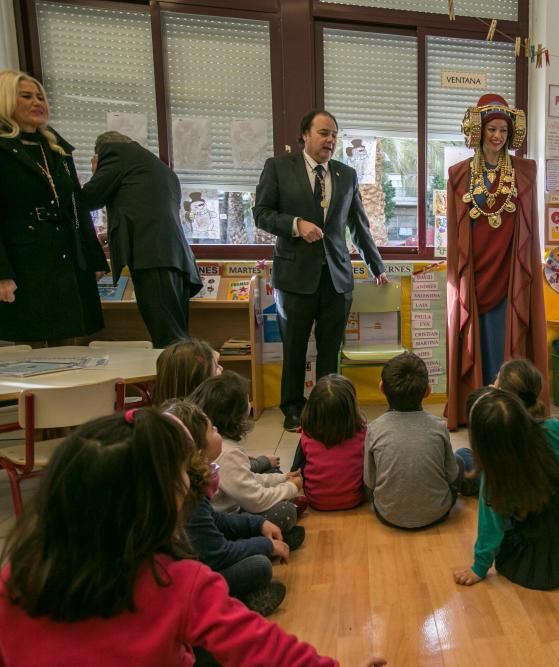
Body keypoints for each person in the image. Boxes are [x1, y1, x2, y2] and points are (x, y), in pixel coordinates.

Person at [0, 408, 360, 666]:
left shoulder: (16, 577)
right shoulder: (180, 583)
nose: (190, 482)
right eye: (180, 478)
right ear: (156, 505)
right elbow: (270, 651)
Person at [253, 110, 387, 432]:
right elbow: (261, 214)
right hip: (295, 278)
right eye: (324, 133)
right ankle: (293, 409)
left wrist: (376, 265)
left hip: (337, 279)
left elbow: (358, 225)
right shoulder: (278, 168)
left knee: (331, 351)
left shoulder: (346, 174)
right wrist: (296, 225)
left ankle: (329, 408)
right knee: (295, 349)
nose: (330, 140)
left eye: (334, 135)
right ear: (305, 135)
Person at [445, 93, 547, 429]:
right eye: (491, 129)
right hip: (474, 273)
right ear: (478, 131)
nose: (497, 136)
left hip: (511, 272)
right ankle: (479, 406)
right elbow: (457, 236)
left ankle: (511, 406)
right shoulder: (460, 174)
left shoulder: (526, 172)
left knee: (508, 336)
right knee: (480, 339)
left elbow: (529, 229)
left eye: (503, 130)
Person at [453, 387, 559, 590]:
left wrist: (479, 568)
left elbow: (490, 527)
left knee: (506, 523)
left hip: (539, 544)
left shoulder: (493, 477)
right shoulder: (552, 428)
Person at [0, 69, 107, 345]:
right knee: (32, 348)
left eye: (40, 97)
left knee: (72, 344)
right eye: (26, 96)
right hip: (25, 259)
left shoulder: (56, 148)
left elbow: (76, 205)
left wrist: (94, 258)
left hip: (66, 254)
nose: (38, 102)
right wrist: (2, 274)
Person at [163, 400, 289, 617]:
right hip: (188, 588)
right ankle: (226, 607)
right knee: (259, 566)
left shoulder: (190, 485)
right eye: (211, 429)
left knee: (258, 546)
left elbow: (218, 521)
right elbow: (219, 554)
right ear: (197, 451)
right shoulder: (186, 499)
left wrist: (259, 525)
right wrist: (265, 546)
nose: (217, 430)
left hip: (204, 559)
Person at [79, 131, 202, 348]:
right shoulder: (157, 166)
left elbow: (87, 199)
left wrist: (96, 171)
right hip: (174, 258)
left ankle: (177, 382)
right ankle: (183, 381)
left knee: (169, 342)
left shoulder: (116, 153)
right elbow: (148, 210)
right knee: (177, 336)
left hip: (152, 258)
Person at [190, 372, 305, 540]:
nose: (250, 404)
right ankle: (271, 538)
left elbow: (248, 478)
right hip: (226, 520)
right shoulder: (227, 453)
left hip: (236, 502)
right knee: (283, 513)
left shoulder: (220, 445)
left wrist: (282, 479)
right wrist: (291, 487)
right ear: (236, 415)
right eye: (247, 401)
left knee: (272, 472)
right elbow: (255, 499)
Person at [364, 352, 465, 529]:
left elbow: (370, 481)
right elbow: (451, 474)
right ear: (427, 391)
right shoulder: (439, 426)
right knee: (460, 460)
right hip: (438, 513)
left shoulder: (374, 428)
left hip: (388, 514)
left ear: (382, 388)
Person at [290, 373, 367, 511]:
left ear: (312, 408)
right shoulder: (362, 432)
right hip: (355, 499)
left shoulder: (306, 434)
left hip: (316, 501)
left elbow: (295, 470)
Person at [150, 337, 222, 406]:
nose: (221, 368)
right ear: (198, 383)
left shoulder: (163, 413)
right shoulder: (211, 414)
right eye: (217, 367)